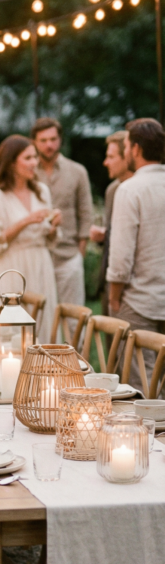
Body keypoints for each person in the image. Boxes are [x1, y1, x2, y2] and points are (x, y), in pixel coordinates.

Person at [0, 135, 62, 341]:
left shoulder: (41, 191)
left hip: (41, 265)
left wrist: (53, 226)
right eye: (28, 158)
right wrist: (26, 221)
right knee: (12, 333)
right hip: (12, 268)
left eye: (35, 157)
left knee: (43, 327)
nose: (35, 162)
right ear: (11, 162)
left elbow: (48, 237)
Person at [106, 118, 165, 390]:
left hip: (138, 301)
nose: (126, 151)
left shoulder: (129, 189)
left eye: (126, 146)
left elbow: (121, 256)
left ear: (136, 149)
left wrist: (114, 298)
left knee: (141, 387)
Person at [31, 117, 93, 308]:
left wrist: (79, 254)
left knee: (74, 317)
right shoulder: (28, 173)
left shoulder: (77, 171)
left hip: (68, 257)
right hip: (37, 257)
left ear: (60, 140)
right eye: (43, 140)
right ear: (34, 142)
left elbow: (86, 213)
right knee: (39, 316)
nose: (49, 145)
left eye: (53, 139)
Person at [89, 131, 134, 314]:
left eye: (110, 156)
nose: (105, 162)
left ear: (128, 157)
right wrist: (102, 237)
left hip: (134, 288)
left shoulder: (142, 190)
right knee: (111, 342)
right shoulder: (112, 190)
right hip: (109, 280)